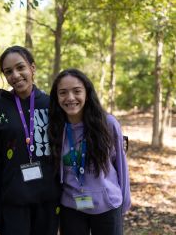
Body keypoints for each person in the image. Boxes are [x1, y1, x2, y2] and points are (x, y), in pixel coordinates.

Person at [0, 45, 60, 235]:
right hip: (14, 200)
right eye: (8, 71)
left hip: (47, 200)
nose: (15, 75)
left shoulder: (52, 103)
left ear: (32, 68)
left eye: (20, 67)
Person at [48, 68, 131, 235]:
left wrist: (124, 202)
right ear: (57, 98)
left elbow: (121, 165)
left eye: (77, 91)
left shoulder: (107, 124)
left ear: (87, 92)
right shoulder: (55, 127)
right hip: (71, 207)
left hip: (107, 205)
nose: (70, 98)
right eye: (63, 93)